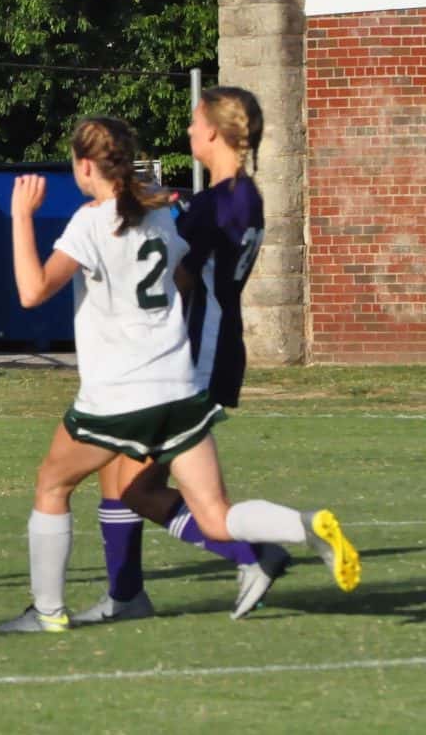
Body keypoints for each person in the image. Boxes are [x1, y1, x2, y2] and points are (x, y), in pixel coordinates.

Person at [0, 116, 360, 633]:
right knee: (215, 512)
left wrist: (20, 216)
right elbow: (184, 279)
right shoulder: (162, 218)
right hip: (178, 388)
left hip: (117, 396)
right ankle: (302, 525)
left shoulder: (90, 222)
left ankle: (48, 611)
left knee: (52, 485)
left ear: (85, 166)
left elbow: (32, 291)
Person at [77, 87, 289, 625]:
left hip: (191, 355)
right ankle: (127, 594)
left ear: (213, 131)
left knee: (132, 485)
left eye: (196, 122)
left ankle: (252, 553)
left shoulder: (218, 204)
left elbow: (179, 279)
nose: (190, 130)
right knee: (121, 477)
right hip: (206, 349)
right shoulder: (240, 196)